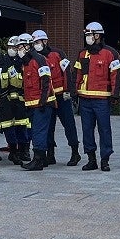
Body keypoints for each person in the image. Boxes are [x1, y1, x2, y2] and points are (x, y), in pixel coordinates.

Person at [72, 22, 120, 171]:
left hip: (102, 99)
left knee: (104, 130)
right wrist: (74, 92)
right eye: (86, 35)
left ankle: (105, 160)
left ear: (97, 35)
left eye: (89, 35)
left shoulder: (110, 53)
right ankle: (91, 159)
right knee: (87, 130)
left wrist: (115, 94)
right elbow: (77, 74)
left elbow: (116, 75)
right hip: (85, 99)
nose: (87, 38)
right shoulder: (82, 54)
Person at [34, 29, 79, 166]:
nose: (36, 45)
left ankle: (75, 152)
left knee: (69, 124)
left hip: (61, 96)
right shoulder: (35, 58)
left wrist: (69, 91)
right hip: (48, 98)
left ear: (45, 41)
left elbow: (68, 72)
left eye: (37, 42)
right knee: (48, 127)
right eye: (34, 42)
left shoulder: (58, 54)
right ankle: (50, 154)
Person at [21, 33, 55, 171]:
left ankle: (38, 160)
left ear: (28, 46)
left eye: (20, 47)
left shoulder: (39, 59)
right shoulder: (26, 62)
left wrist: (42, 101)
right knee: (37, 131)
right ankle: (42, 159)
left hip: (42, 104)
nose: (18, 50)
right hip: (33, 104)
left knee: (38, 132)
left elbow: (46, 81)